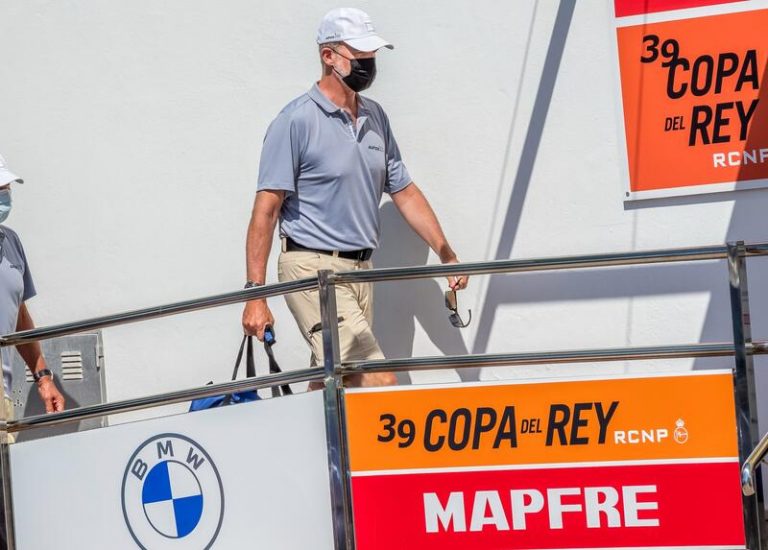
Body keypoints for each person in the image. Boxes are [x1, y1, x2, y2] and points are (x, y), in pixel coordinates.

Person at [242, 8, 467, 388]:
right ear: (328, 56)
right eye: (359, 55)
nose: (368, 64)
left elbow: (405, 192)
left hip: (361, 272)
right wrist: (256, 296)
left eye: (371, 56)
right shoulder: (295, 121)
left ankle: (314, 448)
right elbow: (265, 211)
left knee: (334, 382)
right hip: (313, 271)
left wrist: (446, 253)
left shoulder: (375, 117)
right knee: (378, 381)